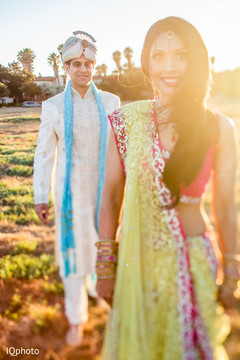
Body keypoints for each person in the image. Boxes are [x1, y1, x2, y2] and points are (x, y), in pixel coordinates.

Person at [96, 17, 238, 360]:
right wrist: (105, 267)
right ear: (147, 61)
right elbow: (111, 197)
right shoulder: (126, 123)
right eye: (158, 56)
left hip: (194, 263)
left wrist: (232, 269)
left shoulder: (218, 127)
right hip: (138, 265)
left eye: (180, 55)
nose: (169, 67)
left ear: (196, 61)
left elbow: (225, 207)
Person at [33, 31, 120, 346]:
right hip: (69, 198)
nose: (83, 69)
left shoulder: (111, 103)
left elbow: (118, 152)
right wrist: (40, 195)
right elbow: (44, 154)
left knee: (104, 246)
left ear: (95, 66)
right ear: (66, 67)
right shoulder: (53, 106)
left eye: (89, 63)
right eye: (76, 64)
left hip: (103, 196)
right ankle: (76, 318)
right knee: (72, 255)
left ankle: (102, 294)